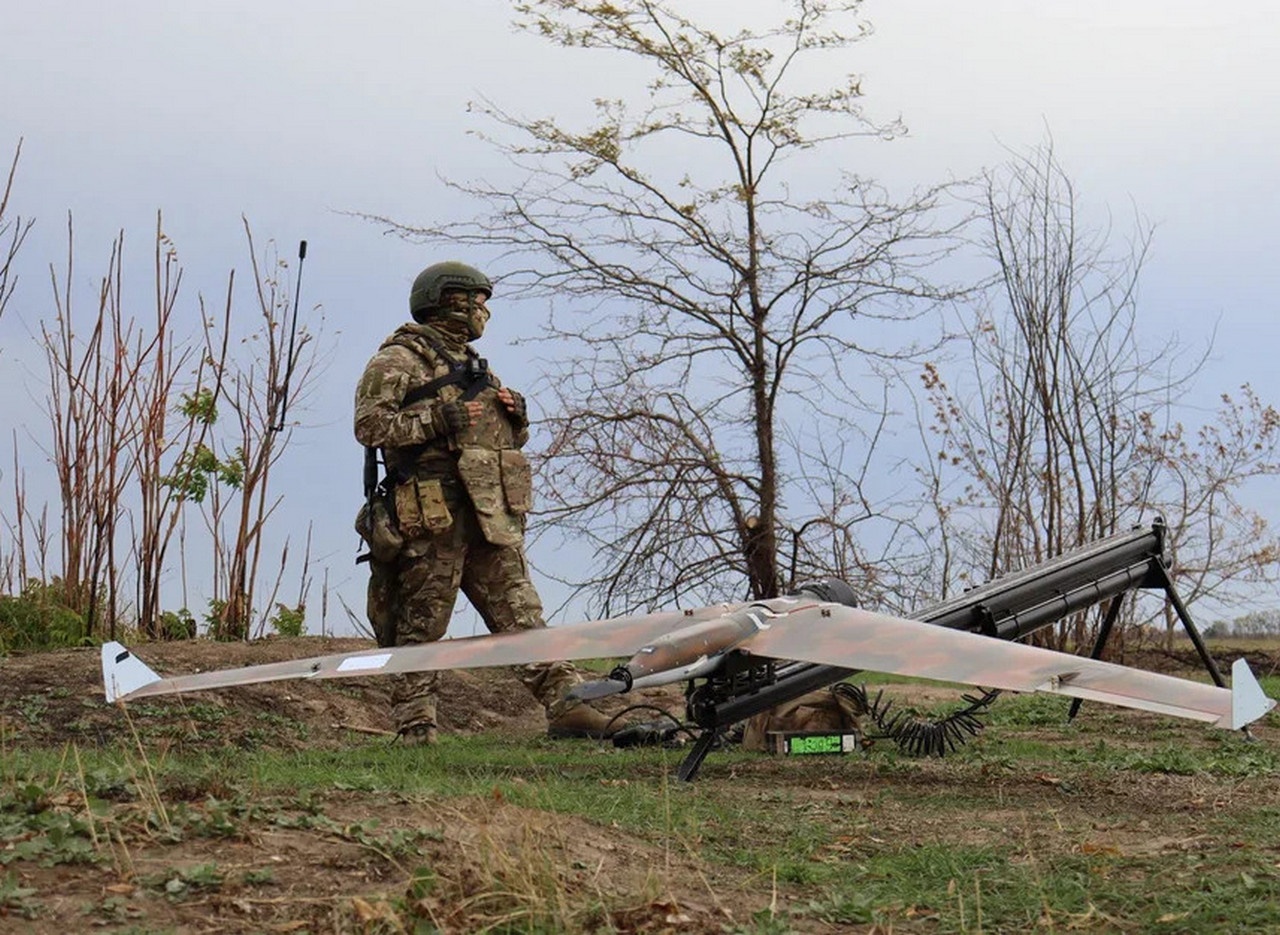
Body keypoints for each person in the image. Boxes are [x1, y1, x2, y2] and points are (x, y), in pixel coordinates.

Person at [353, 260, 615, 744]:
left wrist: (517, 416)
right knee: (422, 622)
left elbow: (500, 437)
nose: (483, 311)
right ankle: (415, 727)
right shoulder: (398, 360)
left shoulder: (474, 366)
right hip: (431, 516)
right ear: (446, 299)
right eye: (477, 300)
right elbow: (369, 427)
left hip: (488, 514)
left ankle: (569, 706)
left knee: (522, 614)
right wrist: (437, 421)